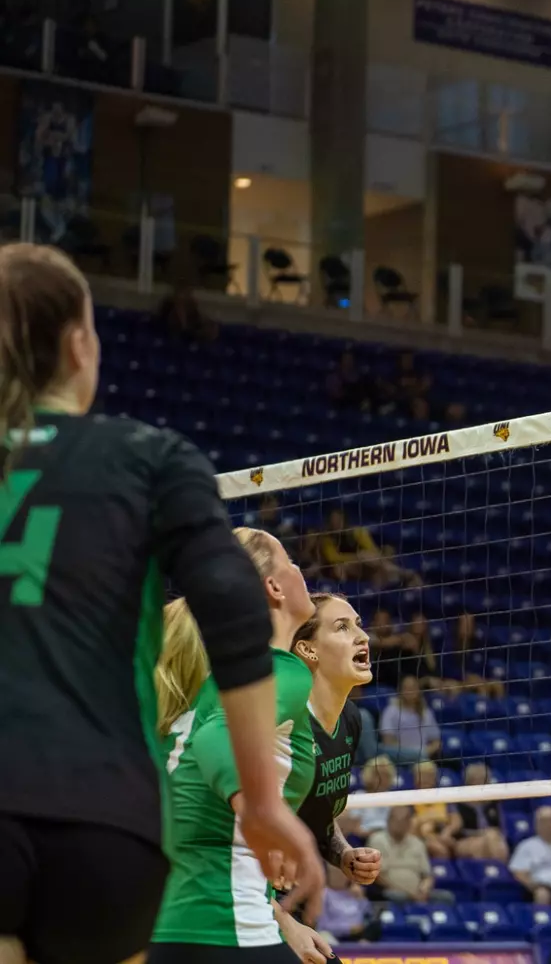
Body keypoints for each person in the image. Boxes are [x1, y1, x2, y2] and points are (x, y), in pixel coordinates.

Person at [0, 245, 319, 964]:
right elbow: (234, 611)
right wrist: (264, 803)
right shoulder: (150, 454)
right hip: (106, 826)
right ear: (81, 346)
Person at [148, 527, 324, 962]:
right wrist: (261, 813)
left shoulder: (213, 683)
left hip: (171, 923)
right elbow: (215, 737)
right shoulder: (278, 671)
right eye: (294, 565)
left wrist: (283, 921)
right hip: (221, 928)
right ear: (274, 587)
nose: (304, 574)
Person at [292, 593, 381, 885]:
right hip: (250, 895)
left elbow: (318, 818)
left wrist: (343, 854)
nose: (363, 636)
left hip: (299, 892)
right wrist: (281, 918)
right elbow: (238, 831)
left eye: (358, 624)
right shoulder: (283, 724)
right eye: (342, 627)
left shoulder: (350, 720)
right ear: (308, 649)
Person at [366, 806, 450, 905]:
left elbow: (427, 875)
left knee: (446, 897)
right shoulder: (377, 840)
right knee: (397, 896)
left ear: (410, 823)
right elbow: (378, 877)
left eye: (405, 820)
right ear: (388, 821)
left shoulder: (417, 843)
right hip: (392, 891)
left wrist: (424, 890)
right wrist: (409, 894)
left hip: (418, 893)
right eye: (397, 820)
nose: (400, 825)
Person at [378, 674, 442, 763]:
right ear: (400, 690)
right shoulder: (391, 711)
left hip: (422, 759)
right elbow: (388, 742)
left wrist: (425, 752)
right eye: (406, 688)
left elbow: (436, 742)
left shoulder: (426, 712)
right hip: (398, 759)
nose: (410, 692)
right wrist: (411, 754)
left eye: (413, 688)